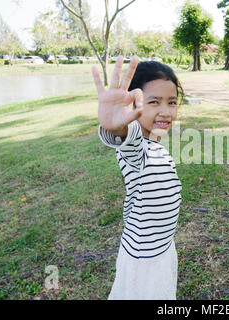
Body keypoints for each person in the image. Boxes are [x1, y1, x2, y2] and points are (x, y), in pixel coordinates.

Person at [92, 56, 184, 299]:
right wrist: (115, 126)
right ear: (133, 104)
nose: (166, 111)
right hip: (144, 259)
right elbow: (124, 138)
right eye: (154, 102)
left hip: (162, 248)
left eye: (172, 102)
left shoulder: (154, 143)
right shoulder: (136, 148)